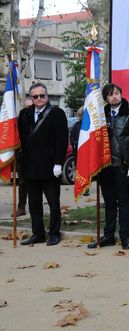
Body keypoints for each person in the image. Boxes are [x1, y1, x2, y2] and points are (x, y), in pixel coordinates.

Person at [87, 84, 129, 250]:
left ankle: (125, 236)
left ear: (121, 94)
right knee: (109, 202)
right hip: (104, 166)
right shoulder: (100, 116)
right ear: (106, 99)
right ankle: (108, 235)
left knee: (123, 201)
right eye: (110, 95)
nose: (114, 97)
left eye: (117, 93)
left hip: (122, 166)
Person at [18, 83, 68, 246]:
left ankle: (54, 233)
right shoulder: (24, 114)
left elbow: (62, 139)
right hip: (30, 167)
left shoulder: (57, 113)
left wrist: (58, 163)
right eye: (35, 96)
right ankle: (38, 233)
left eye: (42, 95)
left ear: (47, 96)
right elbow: (20, 139)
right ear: (31, 98)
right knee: (34, 204)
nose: (39, 99)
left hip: (50, 167)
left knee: (53, 203)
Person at [14, 97, 33, 217]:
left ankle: (35, 206)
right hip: (23, 155)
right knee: (23, 182)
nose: (28, 110)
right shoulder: (21, 116)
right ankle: (21, 207)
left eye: (31, 107)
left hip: (37, 155)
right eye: (27, 108)